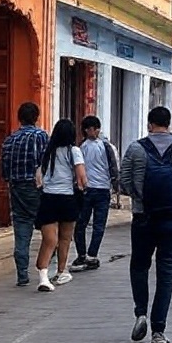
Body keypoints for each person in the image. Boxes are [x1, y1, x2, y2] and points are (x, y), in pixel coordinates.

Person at [120, 106, 172, 343]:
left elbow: (123, 181)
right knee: (166, 272)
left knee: (139, 266)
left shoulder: (135, 148)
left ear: (149, 124)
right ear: (169, 122)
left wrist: (138, 196)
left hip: (142, 217)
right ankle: (158, 331)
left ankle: (140, 313)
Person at [34, 119, 87, 292]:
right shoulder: (74, 151)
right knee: (65, 238)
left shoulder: (48, 151)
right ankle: (61, 272)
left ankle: (43, 276)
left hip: (48, 198)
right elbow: (82, 177)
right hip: (67, 198)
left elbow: (39, 176)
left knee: (49, 240)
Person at [0, 102, 48, 287]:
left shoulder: (10, 140)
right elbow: (46, 162)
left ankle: (22, 274)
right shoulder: (41, 136)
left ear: (19, 118)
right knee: (49, 227)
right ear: (36, 117)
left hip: (15, 188)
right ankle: (47, 267)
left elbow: (4, 170)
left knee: (21, 230)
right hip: (36, 187)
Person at [70, 116, 118, 272]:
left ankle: (86, 255)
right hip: (95, 189)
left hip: (92, 190)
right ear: (86, 130)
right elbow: (114, 167)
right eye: (93, 128)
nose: (96, 131)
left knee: (83, 224)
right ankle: (89, 255)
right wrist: (115, 185)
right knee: (96, 225)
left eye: (97, 128)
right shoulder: (100, 147)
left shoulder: (82, 148)